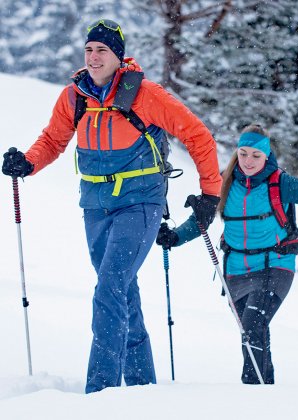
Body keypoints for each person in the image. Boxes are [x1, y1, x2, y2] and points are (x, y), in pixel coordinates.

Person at [1, 19, 222, 393]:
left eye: (101, 50)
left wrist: (210, 194)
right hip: (96, 207)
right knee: (121, 290)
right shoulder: (74, 97)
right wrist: (28, 162)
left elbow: (197, 134)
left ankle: (100, 390)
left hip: (141, 205)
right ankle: (140, 387)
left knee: (109, 287)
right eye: (89, 49)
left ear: (118, 57)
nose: (93, 56)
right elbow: (53, 139)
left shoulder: (146, 94)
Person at [156, 123, 298, 384]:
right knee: (253, 333)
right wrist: (174, 237)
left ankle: (251, 394)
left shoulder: (281, 183)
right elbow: (201, 220)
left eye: (256, 155)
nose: (248, 161)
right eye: (243, 153)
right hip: (236, 270)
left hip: (275, 265)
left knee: (253, 328)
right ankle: (265, 396)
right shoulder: (223, 182)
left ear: (266, 155)